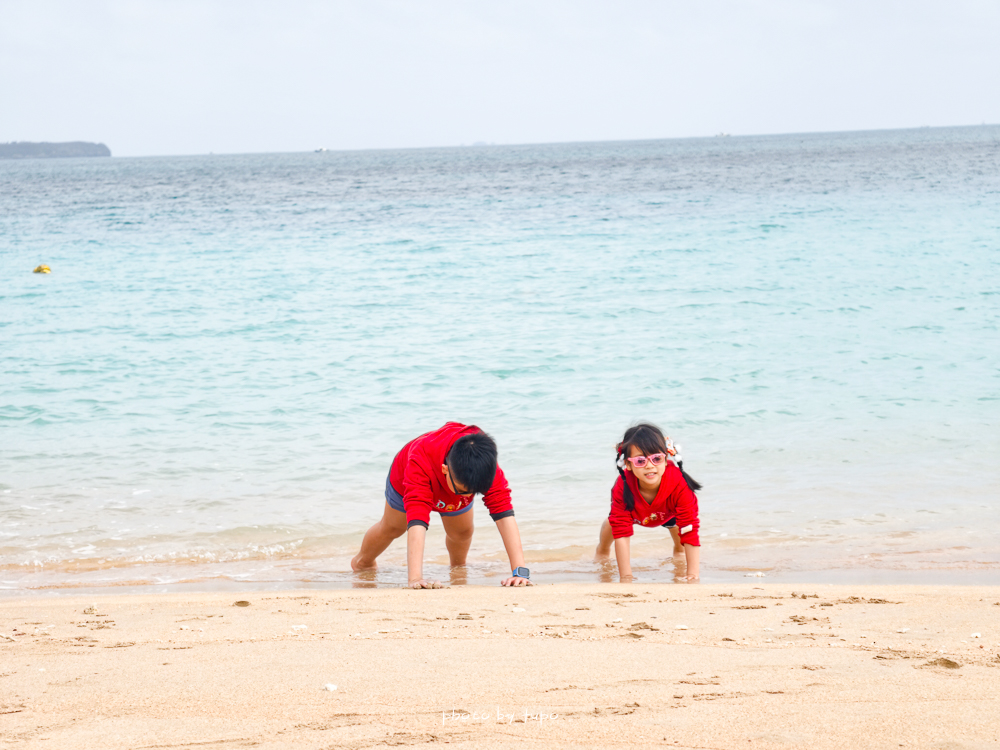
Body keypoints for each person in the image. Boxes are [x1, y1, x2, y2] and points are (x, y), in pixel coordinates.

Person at [351, 422, 531, 588]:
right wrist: (415, 579)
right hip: (406, 479)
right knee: (393, 528)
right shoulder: (421, 460)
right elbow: (417, 519)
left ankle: (458, 568)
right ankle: (362, 562)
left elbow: (504, 514)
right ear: (445, 469)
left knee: (462, 532)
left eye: (475, 492)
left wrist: (520, 573)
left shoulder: (483, 465)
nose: (468, 496)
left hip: (455, 481)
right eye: (464, 491)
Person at [594, 423, 702, 582]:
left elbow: (689, 528)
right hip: (635, 511)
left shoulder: (680, 484)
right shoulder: (622, 486)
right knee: (614, 523)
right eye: (640, 461)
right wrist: (626, 576)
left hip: (668, 512)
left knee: (680, 536)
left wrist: (693, 574)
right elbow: (621, 533)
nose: (650, 466)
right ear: (628, 464)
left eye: (656, 458)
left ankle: (678, 557)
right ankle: (602, 550)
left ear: (666, 459)